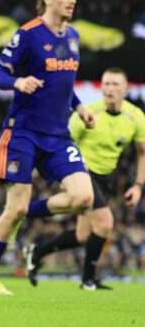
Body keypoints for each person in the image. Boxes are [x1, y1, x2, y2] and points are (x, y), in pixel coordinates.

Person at [0, 0, 96, 295]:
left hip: (59, 136)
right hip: (23, 133)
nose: (72, 0)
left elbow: (62, 83)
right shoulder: (28, 34)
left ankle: (26, 211)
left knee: (84, 197)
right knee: (13, 208)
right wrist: (17, 82)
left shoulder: (73, 36)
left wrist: (80, 108)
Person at [24, 67, 145, 290]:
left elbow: (142, 152)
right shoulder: (87, 114)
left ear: (126, 88)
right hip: (83, 173)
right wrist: (66, 172)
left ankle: (37, 252)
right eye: (106, 83)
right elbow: (62, 143)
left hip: (106, 177)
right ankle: (88, 280)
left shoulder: (136, 117)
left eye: (115, 84)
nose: (110, 88)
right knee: (105, 223)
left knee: (82, 236)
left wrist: (138, 186)